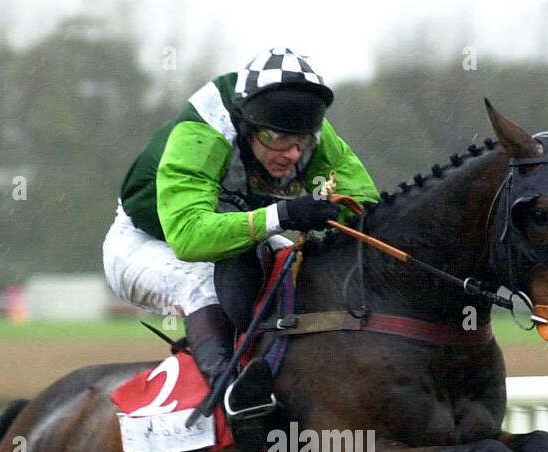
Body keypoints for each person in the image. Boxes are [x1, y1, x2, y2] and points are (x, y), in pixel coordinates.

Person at [103, 47, 378, 428]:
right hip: (149, 243)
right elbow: (189, 239)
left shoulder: (303, 130)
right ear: (248, 126)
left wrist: (338, 215)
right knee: (200, 282)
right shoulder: (202, 132)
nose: (292, 155)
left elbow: (366, 204)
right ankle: (232, 394)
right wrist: (285, 213)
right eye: (278, 139)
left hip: (229, 230)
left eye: (303, 142)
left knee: (302, 266)